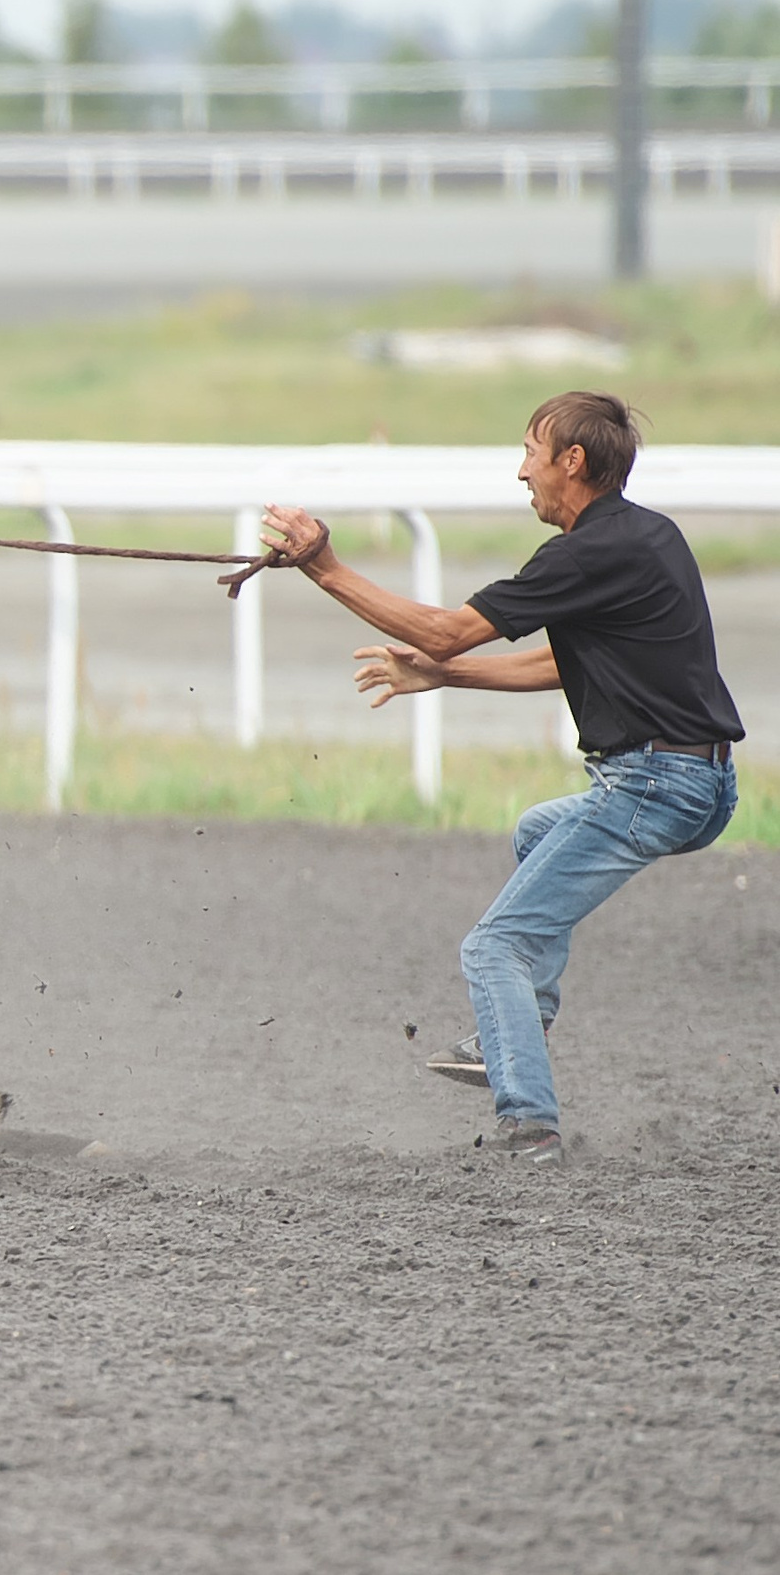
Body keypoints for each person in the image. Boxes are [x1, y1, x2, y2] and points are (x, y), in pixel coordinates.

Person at [261, 391, 741, 1167]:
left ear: (571, 462)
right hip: (706, 785)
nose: (522, 472)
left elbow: (446, 628)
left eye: (530, 453)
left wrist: (324, 568)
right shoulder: (649, 538)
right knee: (533, 831)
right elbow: (564, 661)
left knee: (494, 946)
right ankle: (514, 1029)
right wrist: (449, 679)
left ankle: (529, 1125)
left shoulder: (585, 553)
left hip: (653, 782)